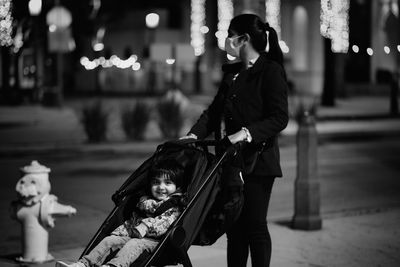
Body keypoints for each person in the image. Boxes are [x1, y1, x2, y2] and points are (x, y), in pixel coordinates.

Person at [181, 13, 289, 267]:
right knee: (235, 229)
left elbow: (279, 117)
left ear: (244, 39)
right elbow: (213, 112)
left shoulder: (270, 71)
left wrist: (246, 132)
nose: (227, 39)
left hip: (259, 162)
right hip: (232, 162)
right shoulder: (233, 74)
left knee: (255, 226)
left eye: (230, 34)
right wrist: (193, 134)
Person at [56, 161, 184, 267]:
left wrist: (145, 226)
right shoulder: (144, 201)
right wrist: (121, 232)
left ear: (177, 187)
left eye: (168, 183)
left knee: (134, 244)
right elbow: (132, 221)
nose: (161, 187)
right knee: (110, 240)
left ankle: (113, 266)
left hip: (156, 242)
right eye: (156, 182)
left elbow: (164, 224)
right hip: (134, 235)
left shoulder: (174, 205)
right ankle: (83, 264)